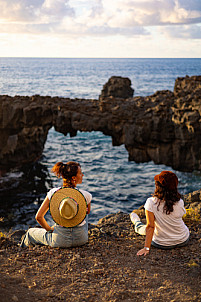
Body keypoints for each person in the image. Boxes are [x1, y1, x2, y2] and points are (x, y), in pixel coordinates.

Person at [20, 161, 92, 248]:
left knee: (30, 232)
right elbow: (87, 213)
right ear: (74, 178)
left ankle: (22, 253)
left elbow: (38, 217)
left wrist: (49, 230)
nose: (82, 175)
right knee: (84, 211)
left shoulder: (53, 193)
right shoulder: (86, 195)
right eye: (80, 173)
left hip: (59, 240)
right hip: (81, 239)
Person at [130, 171, 190, 256]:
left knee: (143, 229)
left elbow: (150, 226)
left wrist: (146, 248)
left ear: (158, 186)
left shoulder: (151, 202)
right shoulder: (179, 201)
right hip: (183, 240)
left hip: (162, 243)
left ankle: (136, 222)